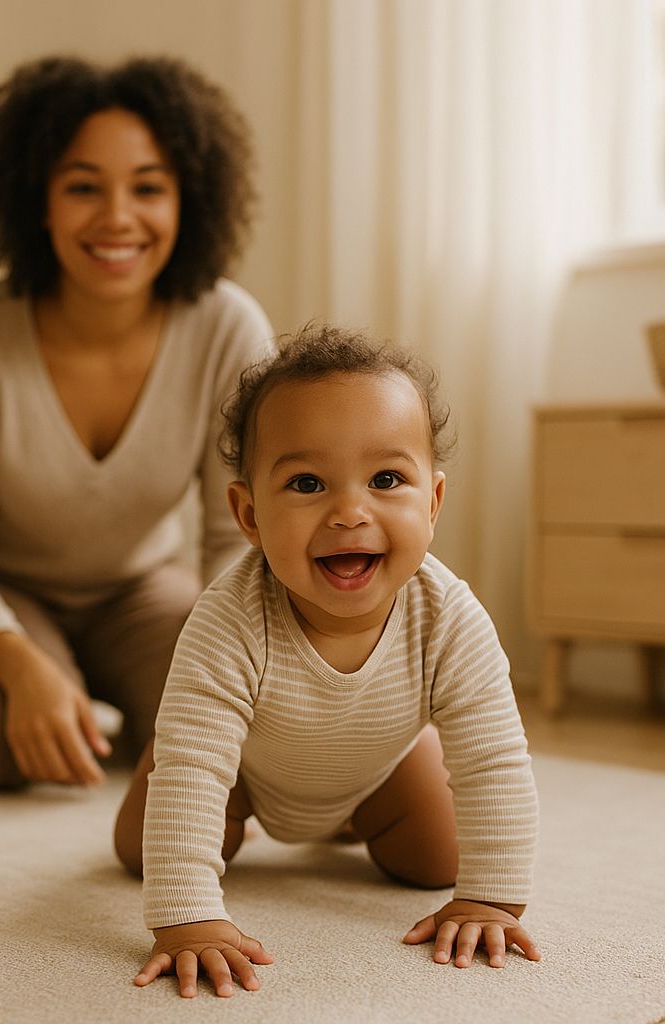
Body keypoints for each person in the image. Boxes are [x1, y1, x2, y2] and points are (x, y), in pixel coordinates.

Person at [115, 325, 541, 997]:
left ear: (432, 501)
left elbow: (494, 759)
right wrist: (188, 918)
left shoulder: (450, 617)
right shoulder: (228, 619)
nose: (349, 511)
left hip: (380, 772)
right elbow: (198, 768)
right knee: (143, 848)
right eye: (308, 483)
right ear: (249, 515)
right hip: (242, 776)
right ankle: (158, 759)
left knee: (439, 859)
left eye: (386, 479)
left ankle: (352, 813)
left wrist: (491, 899)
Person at [0, 55, 274, 790]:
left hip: (140, 592)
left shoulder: (228, 326)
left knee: (242, 722)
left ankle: (114, 707)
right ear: (37, 200)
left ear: (188, 200)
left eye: (148, 188)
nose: (117, 218)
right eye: (82, 187)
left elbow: (236, 537)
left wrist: (225, 666)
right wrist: (22, 666)